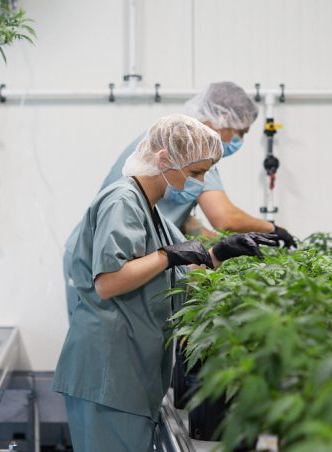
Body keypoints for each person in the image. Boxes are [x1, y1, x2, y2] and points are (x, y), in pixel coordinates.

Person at [53, 115, 282, 451]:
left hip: (131, 374)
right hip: (108, 373)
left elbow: (182, 269)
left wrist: (220, 252)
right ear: (163, 160)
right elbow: (109, 281)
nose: (200, 183)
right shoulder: (122, 201)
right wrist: (167, 255)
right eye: (194, 172)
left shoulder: (153, 210)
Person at [63, 82, 296, 316]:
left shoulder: (160, 192)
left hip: (123, 263)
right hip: (100, 262)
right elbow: (224, 218)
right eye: (240, 132)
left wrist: (220, 249)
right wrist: (273, 229)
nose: (201, 181)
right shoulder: (183, 149)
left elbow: (182, 226)